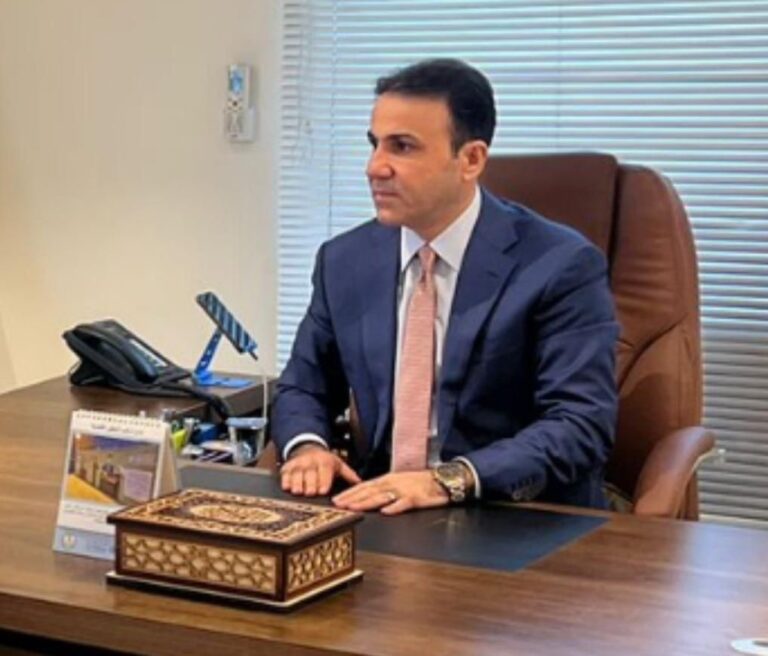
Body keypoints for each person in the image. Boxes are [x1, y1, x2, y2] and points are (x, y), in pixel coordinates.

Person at [271, 58, 618, 515]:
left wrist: (447, 481)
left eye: (402, 147)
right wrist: (307, 447)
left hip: (512, 514)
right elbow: (303, 386)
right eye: (374, 144)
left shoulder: (559, 265)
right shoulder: (345, 261)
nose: (375, 167)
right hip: (383, 508)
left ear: (471, 159)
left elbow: (580, 423)